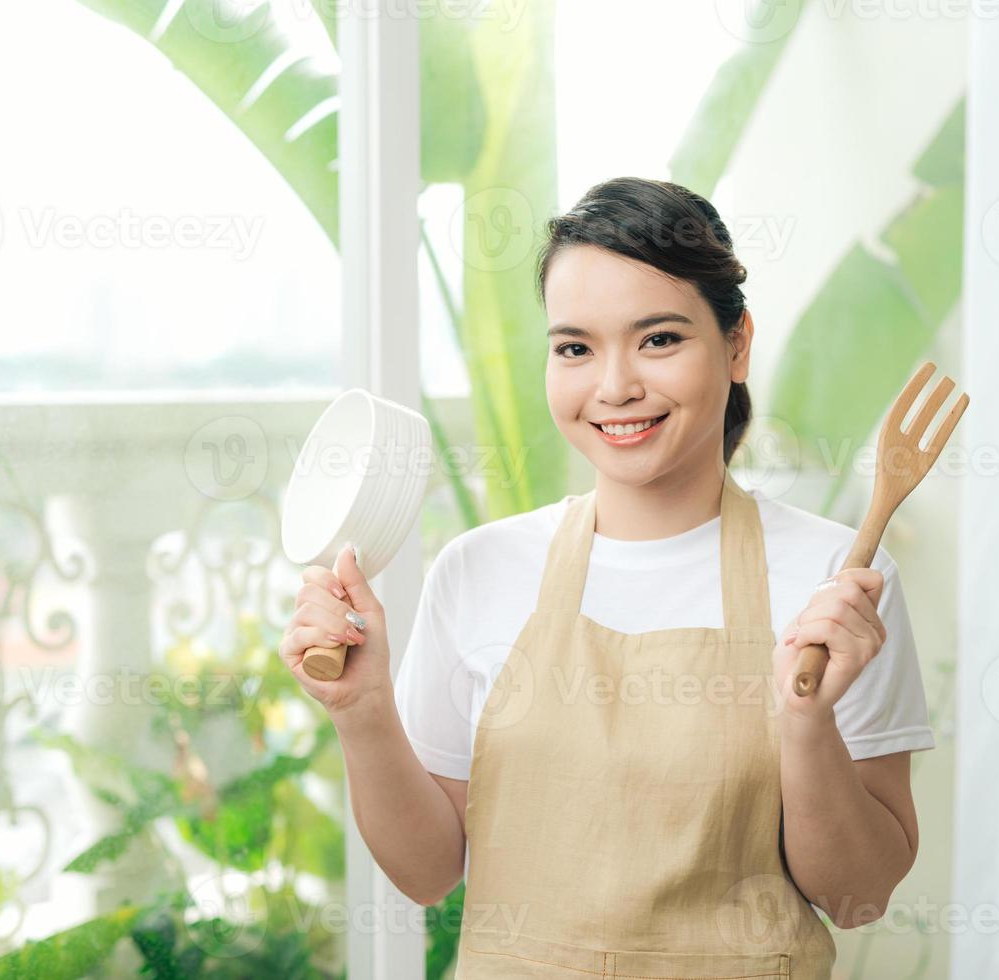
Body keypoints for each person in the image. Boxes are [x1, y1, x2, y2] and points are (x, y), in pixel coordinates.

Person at [279, 176, 934, 978]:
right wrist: (362, 710)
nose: (615, 385)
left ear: (735, 345)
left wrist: (805, 720)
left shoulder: (838, 580)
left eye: (658, 339)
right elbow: (427, 872)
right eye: (575, 348)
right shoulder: (480, 570)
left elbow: (859, 896)